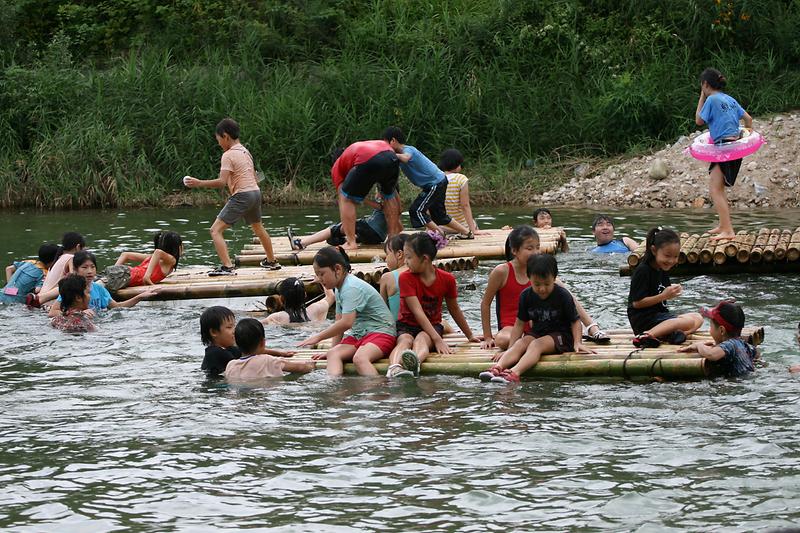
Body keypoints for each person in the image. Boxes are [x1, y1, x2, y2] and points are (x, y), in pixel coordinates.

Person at [480, 225, 609, 351]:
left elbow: (568, 301)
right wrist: (487, 337)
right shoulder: (501, 271)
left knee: (560, 286)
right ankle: (528, 342)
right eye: (529, 248)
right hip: (511, 326)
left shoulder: (540, 272)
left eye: (537, 247)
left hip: (538, 325)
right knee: (503, 340)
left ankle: (592, 328)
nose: (535, 252)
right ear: (514, 250)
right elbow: (485, 304)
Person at [183, 118, 281, 274]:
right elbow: (254, 177)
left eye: (219, 140)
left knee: (215, 230)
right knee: (258, 228)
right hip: (255, 193)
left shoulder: (228, 155)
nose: (219, 143)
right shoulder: (245, 152)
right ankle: (272, 261)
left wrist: (198, 183)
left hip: (243, 195)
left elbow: (221, 182)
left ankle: (227, 267)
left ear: (226, 136)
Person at [480, 254, 595, 384]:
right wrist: (510, 348)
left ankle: (514, 373)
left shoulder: (563, 295)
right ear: (529, 278)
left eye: (547, 284)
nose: (542, 289)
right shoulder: (526, 296)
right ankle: (497, 368)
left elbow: (575, 321)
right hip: (538, 332)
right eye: (537, 284)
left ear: (554, 278)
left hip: (562, 336)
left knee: (536, 344)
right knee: (521, 343)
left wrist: (578, 343)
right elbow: (519, 324)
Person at [386, 232, 478, 378]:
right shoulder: (405, 278)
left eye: (409, 257)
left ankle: (415, 363)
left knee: (422, 339)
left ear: (425, 258)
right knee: (405, 340)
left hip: (432, 326)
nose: (406, 262)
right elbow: (417, 312)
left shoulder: (447, 279)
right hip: (406, 325)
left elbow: (454, 309)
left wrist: (470, 335)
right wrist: (438, 340)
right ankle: (394, 368)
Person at [297, 247, 396, 376]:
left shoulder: (351, 287)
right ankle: (334, 387)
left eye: (322, 274)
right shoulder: (339, 288)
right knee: (333, 354)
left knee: (360, 359)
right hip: (360, 334)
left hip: (382, 333)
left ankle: (380, 387)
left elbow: (346, 323)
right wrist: (332, 349)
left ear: (337, 269)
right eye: (317, 274)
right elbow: (339, 323)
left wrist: (318, 337)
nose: (320, 279)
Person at [695, 68, 753, 241]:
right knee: (718, 188)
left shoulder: (711, 99)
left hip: (723, 148)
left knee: (715, 190)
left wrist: (702, 96)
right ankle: (723, 225)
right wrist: (746, 137)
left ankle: (728, 230)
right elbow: (748, 119)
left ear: (705, 84)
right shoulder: (730, 99)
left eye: (702, 86)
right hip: (733, 148)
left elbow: (698, 120)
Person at [383, 127, 471, 237]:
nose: (385, 148)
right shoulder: (397, 156)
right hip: (438, 182)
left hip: (435, 183)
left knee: (416, 210)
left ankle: (441, 234)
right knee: (439, 216)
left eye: (386, 144)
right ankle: (467, 233)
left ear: (393, 141)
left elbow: (406, 158)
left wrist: (389, 154)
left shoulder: (408, 150)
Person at [628, 228, 703, 348]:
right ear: (654, 250)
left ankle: (677, 334)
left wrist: (672, 291)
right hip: (644, 320)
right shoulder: (643, 271)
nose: (671, 261)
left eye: (675, 256)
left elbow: (662, 291)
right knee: (688, 321)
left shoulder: (662, 269)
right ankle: (646, 335)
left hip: (659, 317)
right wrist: (664, 296)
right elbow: (637, 303)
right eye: (667, 256)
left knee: (698, 317)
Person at [330, 140, 403, 250]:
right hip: (391, 156)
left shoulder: (337, 166)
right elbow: (393, 197)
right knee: (388, 196)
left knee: (345, 199)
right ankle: (392, 238)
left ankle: (351, 242)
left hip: (369, 158)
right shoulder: (355, 152)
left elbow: (343, 197)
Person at [47, 251, 157, 316]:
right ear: (75, 270)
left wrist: (140, 297)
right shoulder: (72, 289)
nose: (90, 271)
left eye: (92, 267)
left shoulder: (99, 288)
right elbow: (53, 312)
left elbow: (117, 306)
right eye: (84, 267)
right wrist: (78, 314)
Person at [678, 301, 757, 377]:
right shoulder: (744, 344)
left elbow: (711, 354)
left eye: (710, 326)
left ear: (722, 330)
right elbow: (756, 354)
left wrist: (699, 346)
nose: (710, 329)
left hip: (738, 382)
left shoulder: (730, 344)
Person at [223, 318, 310, 381]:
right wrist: (311, 365)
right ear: (263, 342)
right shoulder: (267, 360)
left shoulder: (231, 365)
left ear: (236, 343)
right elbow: (301, 368)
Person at [287, 201, 389, 251]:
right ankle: (346, 240)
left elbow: (381, 206)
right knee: (332, 239)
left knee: (337, 228)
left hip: (371, 230)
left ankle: (300, 243)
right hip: (377, 237)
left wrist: (362, 198)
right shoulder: (392, 196)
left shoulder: (387, 194)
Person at [103, 231, 183, 290]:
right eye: (181, 245)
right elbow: (158, 252)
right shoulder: (171, 260)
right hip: (124, 276)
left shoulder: (152, 258)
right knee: (99, 286)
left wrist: (114, 270)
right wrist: (147, 277)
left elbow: (125, 255)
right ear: (178, 247)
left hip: (123, 274)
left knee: (99, 283)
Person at [439, 148, 487, 237]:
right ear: (457, 165)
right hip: (461, 227)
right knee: (473, 223)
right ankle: (473, 229)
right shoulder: (461, 179)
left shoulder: (435, 178)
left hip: (440, 227)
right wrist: (473, 230)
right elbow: (465, 205)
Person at [31, 232, 86, 307]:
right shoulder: (71, 258)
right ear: (78, 247)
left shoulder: (58, 258)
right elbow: (74, 281)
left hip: (40, 300)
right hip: (49, 303)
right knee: (73, 283)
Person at [261, 278, 335, 325]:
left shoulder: (277, 317)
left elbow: (257, 325)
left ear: (281, 298)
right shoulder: (316, 309)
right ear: (305, 295)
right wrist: (321, 280)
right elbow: (331, 296)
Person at [200, 305, 241, 378]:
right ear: (214, 332)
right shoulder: (215, 353)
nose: (235, 331)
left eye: (234, 326)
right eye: (229, 327)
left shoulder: (230, 349)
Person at [379, 233, 410, 321]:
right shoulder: (423, 273)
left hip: (398, 327)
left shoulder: (387, 277)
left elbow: (382, 313)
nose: (386, 259)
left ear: (399, 254)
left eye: (387, 254)